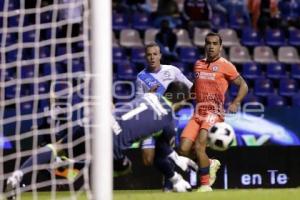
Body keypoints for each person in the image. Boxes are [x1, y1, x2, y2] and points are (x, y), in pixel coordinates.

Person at [179, 32, 248, 192]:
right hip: (198, 112)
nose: (211, 46)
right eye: (208, 43)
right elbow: (196, 87)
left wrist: (236, 102)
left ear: (220, 47)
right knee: (183, 149)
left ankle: (205, 185)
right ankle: (210, 163)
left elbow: (244, 85)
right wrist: (184, 98)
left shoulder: (226, 66)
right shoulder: (198, 64)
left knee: (199, 146)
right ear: (205, 45)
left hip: (214, 113)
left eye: (215, 43)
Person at [113, 81, 197, 192]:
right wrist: (176, 178)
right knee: (124, 166)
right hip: (111, 143)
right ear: (182, 100)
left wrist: (175, 158)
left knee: (82, 159)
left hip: (98, 121)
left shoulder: (150, 95)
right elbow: (160, 156)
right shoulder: (168, 121)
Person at [135, 43, 193, 191]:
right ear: (145, 57)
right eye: (149, 54)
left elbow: (189, 88)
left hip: (169, 118)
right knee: (147, 159)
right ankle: (169, 177)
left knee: (167, 150)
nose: (152, 57)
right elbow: (138, 102)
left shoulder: (172, 71)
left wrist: (181, 102)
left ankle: (169, 185)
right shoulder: (141, 77)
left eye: (155, 54)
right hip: (149, 120)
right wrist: (150, 95)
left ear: (160, 55)